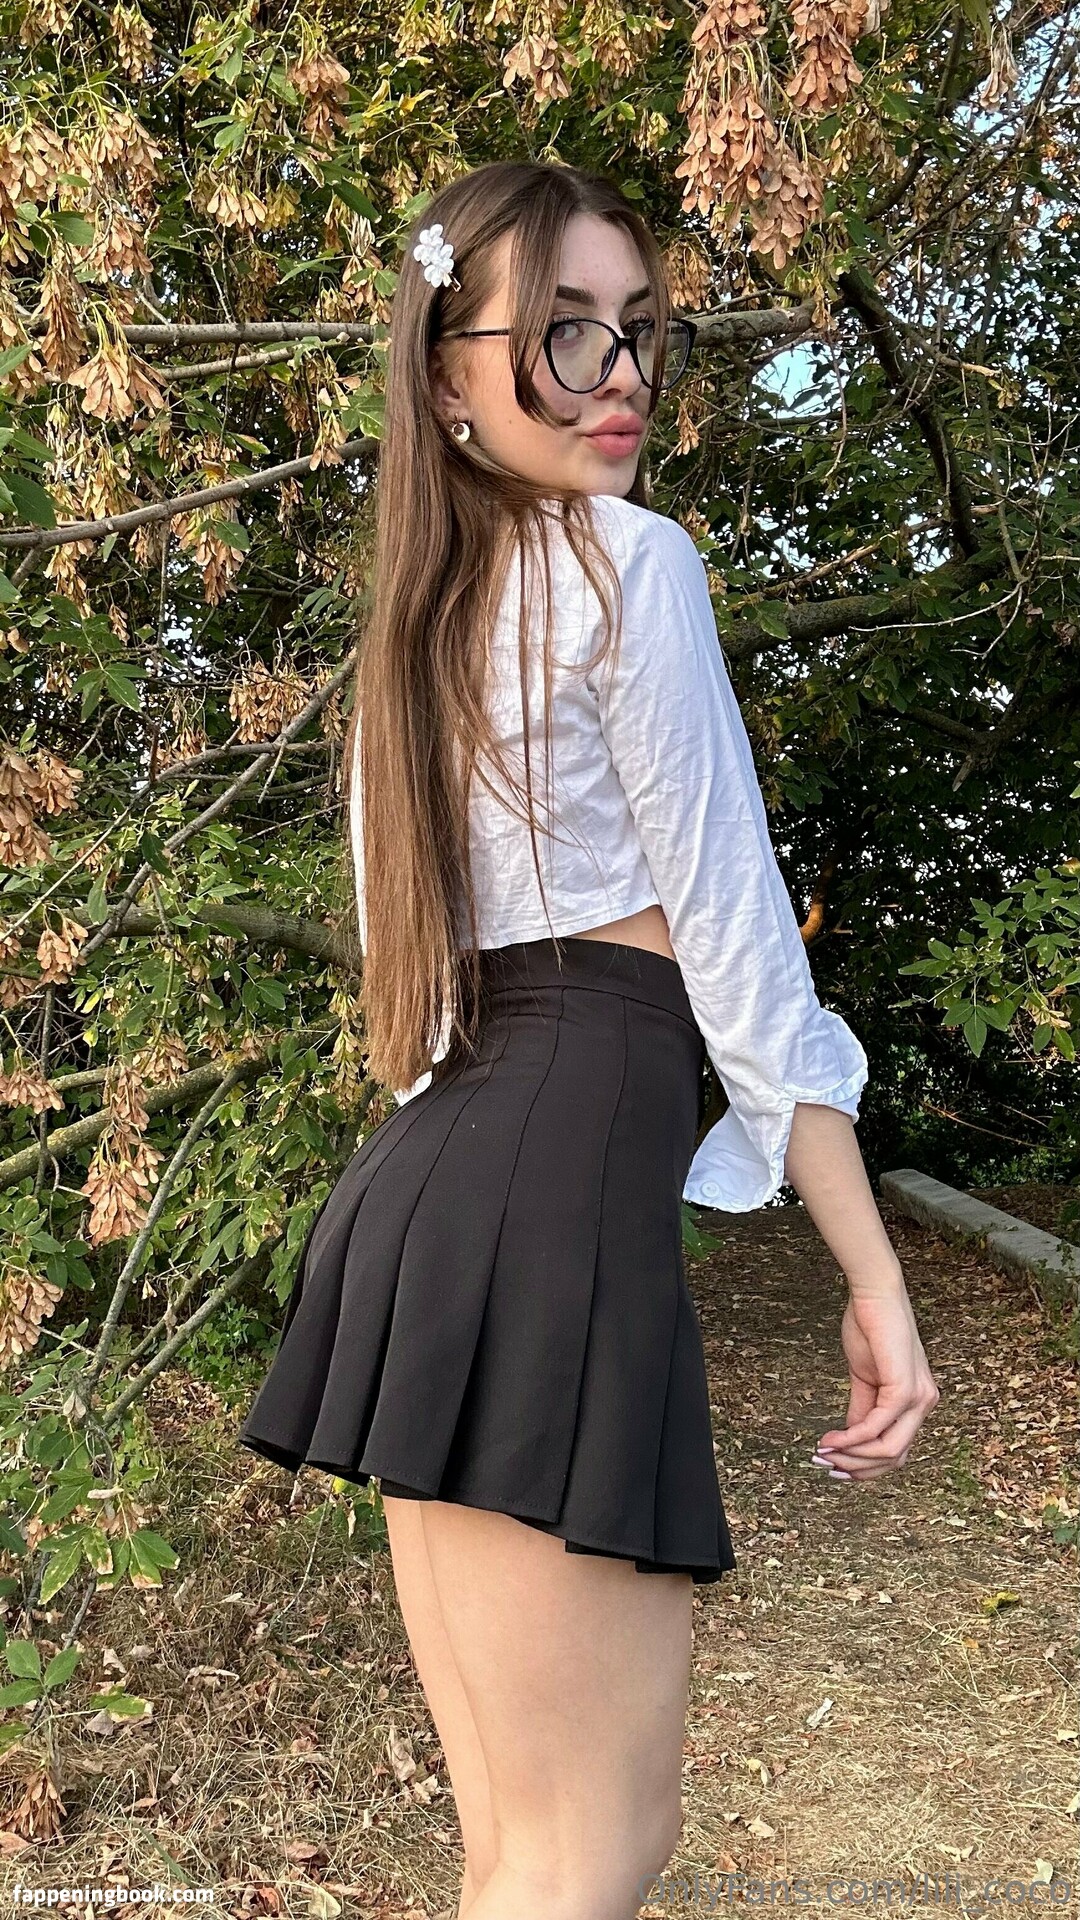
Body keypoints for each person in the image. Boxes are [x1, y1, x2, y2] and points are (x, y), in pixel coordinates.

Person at [238, 159, 939, 1920]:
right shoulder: (632, 566)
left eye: (636, 331)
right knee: (586, 1856)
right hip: (538, 1205)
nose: (616, 376)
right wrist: (873, 1275)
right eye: (561, 334)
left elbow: (417, 1009)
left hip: (439, 1191)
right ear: (448, 376)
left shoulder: (416, 634)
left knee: (519, 1855)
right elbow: (742, 956)